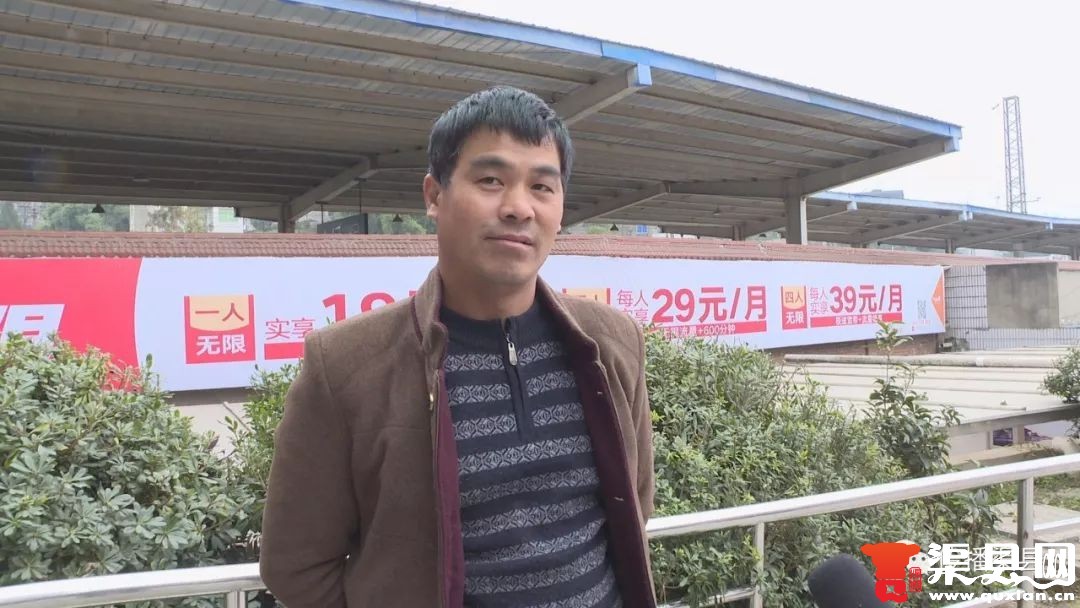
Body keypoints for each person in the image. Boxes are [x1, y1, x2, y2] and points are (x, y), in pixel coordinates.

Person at [259, 86, 656, 608]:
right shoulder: (345, 366)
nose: (518, 208)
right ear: (434, 195)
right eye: (491, 180)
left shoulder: (611, 343)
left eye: (542, 186)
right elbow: (297, 566)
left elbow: (635, 504)